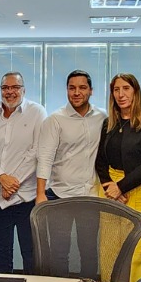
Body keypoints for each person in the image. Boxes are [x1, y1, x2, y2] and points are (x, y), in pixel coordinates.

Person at [94, 74, 141, 282]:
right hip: (109, 191)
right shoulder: (108, 124)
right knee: (109, 251)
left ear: (135, 92)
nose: (121, 94)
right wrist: (110, 187)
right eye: (116, 90)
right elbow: (100, 160)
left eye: (126, 88)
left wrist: (121, 187)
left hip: (138, 190)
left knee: (136, 252)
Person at [0, 71, 46, 273]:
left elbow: (37, 151)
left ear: (23, 90)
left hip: (26, 197)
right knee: (0, 254)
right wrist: (1, 177)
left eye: (15, 87)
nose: (10, 92)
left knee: (32, 253)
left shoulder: (37, 112)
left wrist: (12, 182)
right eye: (5, 88)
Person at [36, 70, 106, 203]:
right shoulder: (54, 120)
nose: (76, 93)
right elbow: (45, 158)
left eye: (82, 88)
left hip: (93, 194)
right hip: (61, 194)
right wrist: (40, 194)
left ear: (91, 91)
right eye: (72, 88)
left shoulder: (102, 116)